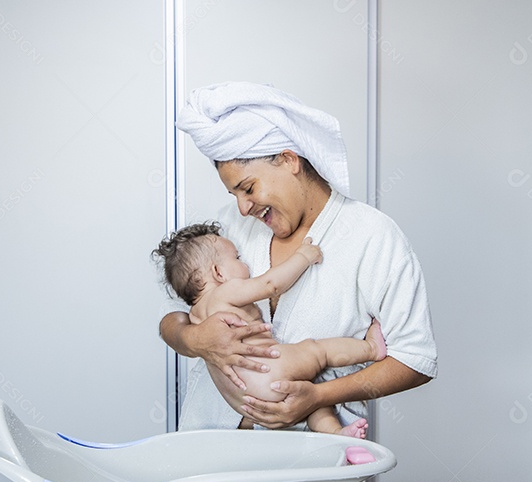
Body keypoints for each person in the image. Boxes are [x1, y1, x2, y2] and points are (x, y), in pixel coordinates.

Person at [161, 81, 437, 432]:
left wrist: (318, 397)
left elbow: (415, 359)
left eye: (248, 188)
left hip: (312, 470)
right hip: (209, 457)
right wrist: (194, 339)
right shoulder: (228, 229)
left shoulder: (371, 236)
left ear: (289, 159)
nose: (243, 208)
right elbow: (171, 316)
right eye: (234, 195)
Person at [153, 221, 388, 437]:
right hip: (271, 369)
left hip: (245, 399)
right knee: (318, 351)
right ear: (219, 273)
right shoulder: (225, 292)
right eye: (237, 257)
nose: (244, 263)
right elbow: (270, 284)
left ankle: (337, 433)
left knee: (311, 399)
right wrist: (304, 257)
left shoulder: (195, 316)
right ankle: (370, 348)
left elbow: (171, 325)